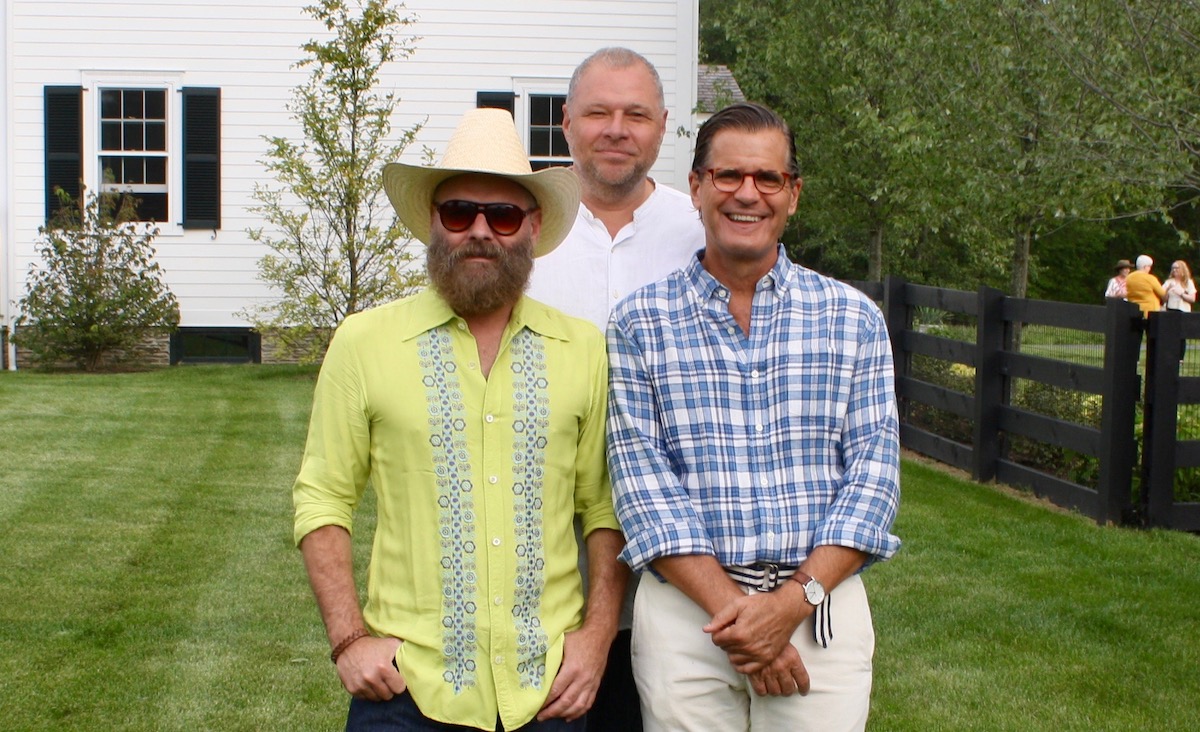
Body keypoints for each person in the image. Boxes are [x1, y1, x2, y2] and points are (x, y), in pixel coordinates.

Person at [293, 108, 626, 732]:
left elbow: (604, 511)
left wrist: (597, 636)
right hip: (405, 689)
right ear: (431, 223)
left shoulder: (582, 350)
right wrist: (347, 640)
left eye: (501, 215)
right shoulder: (363, 342)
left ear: (531, 226)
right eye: (458, 212)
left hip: (547, 689)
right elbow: (323, 500)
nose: (480, 231)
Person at [606, 102, 902, 732]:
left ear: (792, 193)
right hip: (688, 618)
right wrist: (747, 620)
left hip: (821, 614)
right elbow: (643, 488)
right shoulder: (638, 324)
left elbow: (873, 483)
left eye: (768, 178)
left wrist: (788, 607)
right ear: (696, 187)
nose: (748, 194)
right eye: (727, 176)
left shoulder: (852, 320)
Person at [525, 46, 705, 732]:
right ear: (566, 122)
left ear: (663, 126)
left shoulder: (700, 231)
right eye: (598, 112)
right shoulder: (525, 227)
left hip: (678, 536)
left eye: (635, 114)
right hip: (546, 535)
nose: (616, 128)